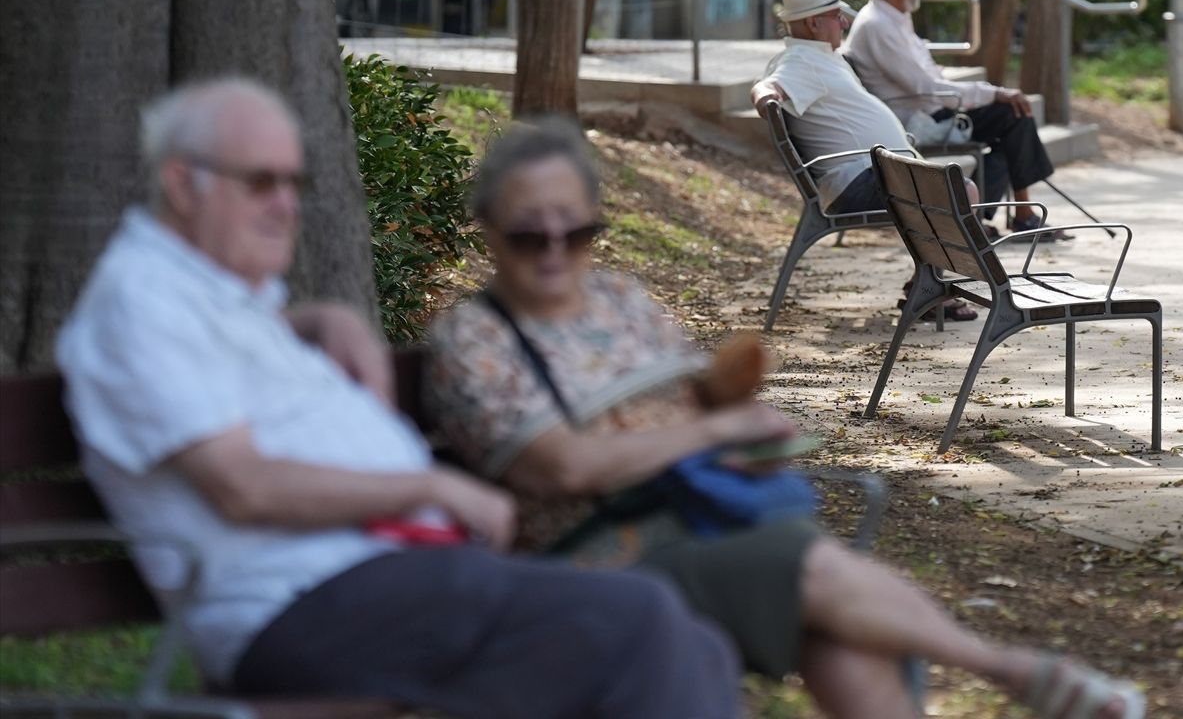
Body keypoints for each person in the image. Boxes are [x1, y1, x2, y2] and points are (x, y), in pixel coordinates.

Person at [56, 78, 740, 718]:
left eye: (294, 181)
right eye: (261, 181)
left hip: (384, 579)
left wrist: (320, 319)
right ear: (182, 183)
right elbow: (244, 488)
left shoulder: (205, 296)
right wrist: (431, 486)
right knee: (638, 622)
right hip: (298, 604)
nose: (286, 203)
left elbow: (213, 368)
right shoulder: (141, 306)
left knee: (691, 641)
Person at [425, 118, 1145, 719]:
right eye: (529, 234)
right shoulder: (474, 341)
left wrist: (746, 430)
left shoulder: (620, 301)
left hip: (697, 513)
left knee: (842, 636)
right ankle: (1015, 670)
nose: (555, 249)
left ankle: (1026, 675)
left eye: (573, 230)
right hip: (596, 556)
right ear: (488, 230)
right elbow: (562, 467)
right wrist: (714, 433)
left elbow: (697, 404)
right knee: (815, 580)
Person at [753, 0, 979, 322]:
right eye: (836, 15)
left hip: (872, 173)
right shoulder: (801, 60)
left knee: (960, 187)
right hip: (859, 181)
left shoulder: (820, 56)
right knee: (959, 191)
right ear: (814, 23)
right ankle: (929, 289)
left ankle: (928, 286)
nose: (844, 22)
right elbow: (771, 85)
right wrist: (767, 96)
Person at [842, 0, 1061, 239]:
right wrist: (992, 93)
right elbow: (927, 88)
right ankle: (1010, 216)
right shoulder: (878, 25)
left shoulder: (893, 16)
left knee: (1014, 122)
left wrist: (984, 93)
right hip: (920, 116)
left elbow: (927, 75)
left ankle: (987, 217)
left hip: (930, 106)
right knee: (1013, 114)